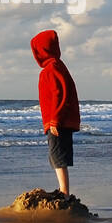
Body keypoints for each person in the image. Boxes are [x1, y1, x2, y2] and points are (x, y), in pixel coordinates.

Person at [31, 29, 80, 196]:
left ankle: (64, 192)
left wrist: (55, 120)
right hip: (60, 120)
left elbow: (60, 94)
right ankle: (63, 190)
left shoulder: (52, 68)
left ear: (42, 50)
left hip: (59, 121)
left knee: (58, 155)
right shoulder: (55, 67)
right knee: (56, 155)